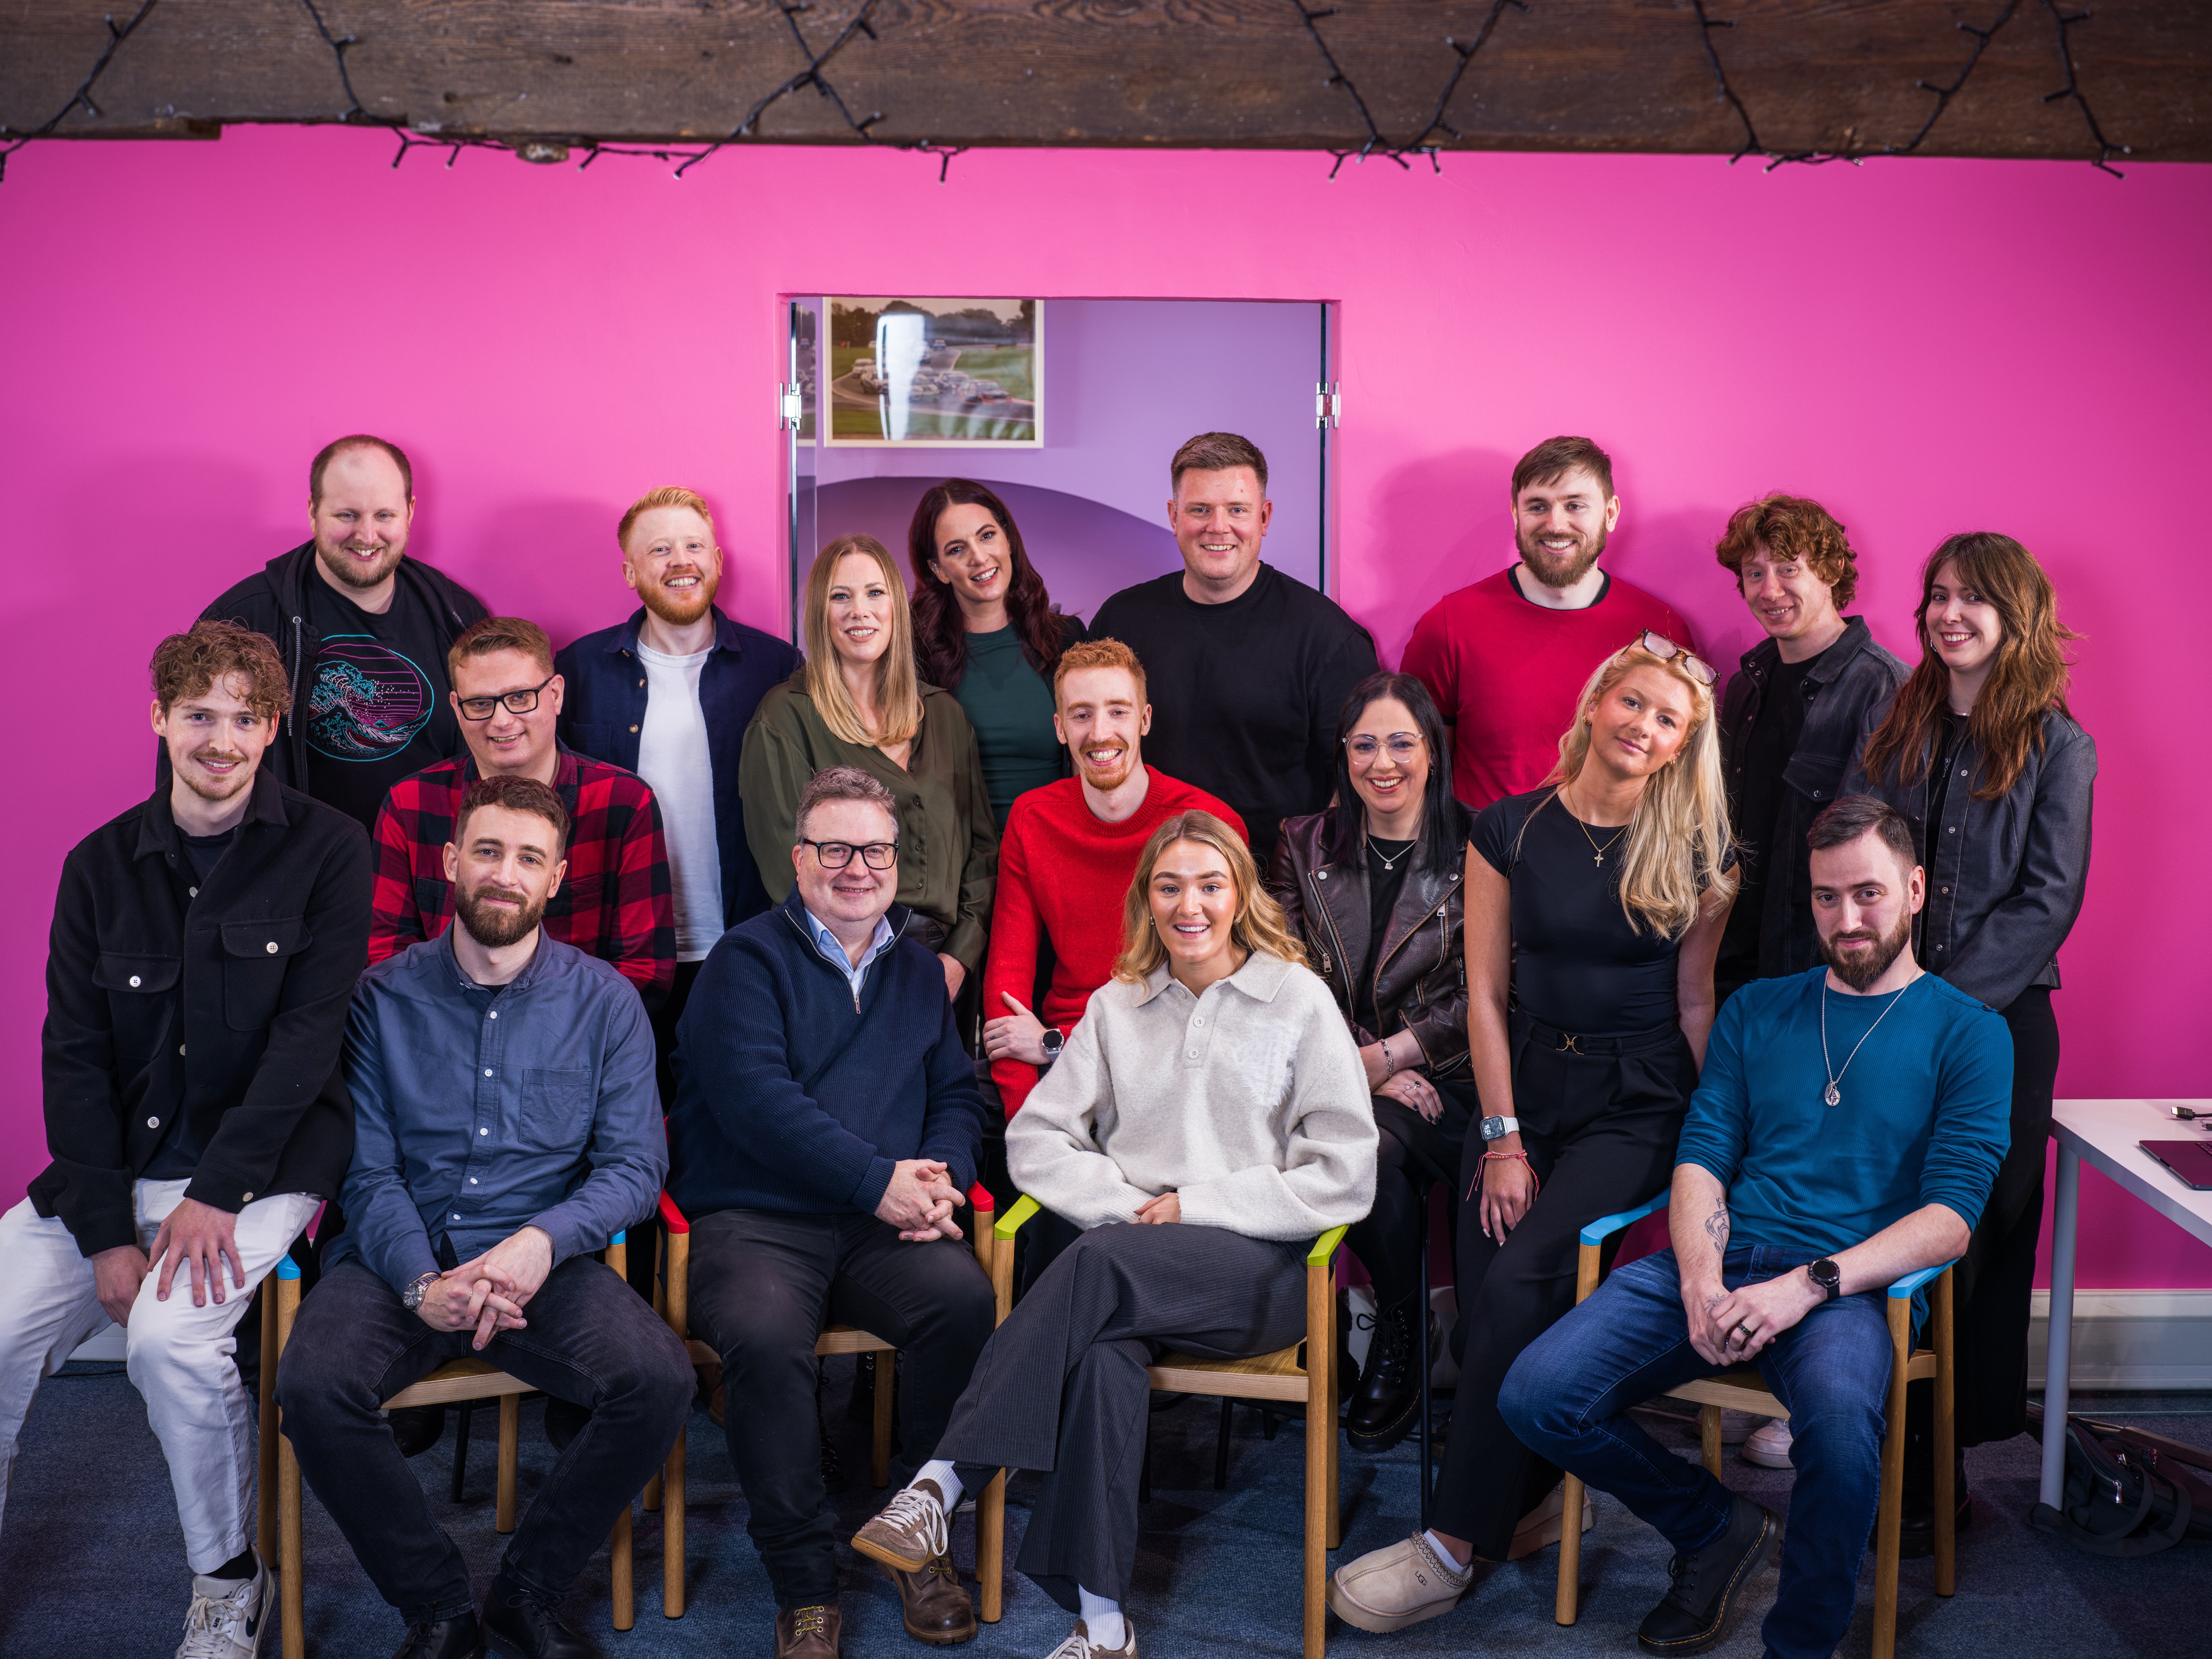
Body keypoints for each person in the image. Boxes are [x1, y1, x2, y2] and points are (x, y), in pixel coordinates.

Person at [1496, 796, 2011, 1659]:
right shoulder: (1756, 1010)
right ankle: (1714, 1528)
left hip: (1850, 1288)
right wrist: (1701, 1281)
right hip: (1720, 1259)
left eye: (1869, 894)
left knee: (1843, 1440)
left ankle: (1800, 1645)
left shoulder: (1972, 1034)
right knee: (1535, 1395)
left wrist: (1802, 1289)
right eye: (1825, 898)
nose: (1847, 920)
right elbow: (1701, 1158)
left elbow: (1950, 1222)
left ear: (1916, 889)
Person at [854, 811, 1377, 1659]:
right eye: (1169, 887)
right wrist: (1130, 1204)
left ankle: (942, 1483)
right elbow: (1035, 1140)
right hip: (1132, 1259)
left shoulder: (1297, 1001)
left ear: (1241, 894)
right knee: (1099, 1359)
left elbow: (1345, 1173)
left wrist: (1197, 1203)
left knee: (1096, 1264)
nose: (1190, 904)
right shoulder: (1117, 1004)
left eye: (1210, 884)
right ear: (1147, 901)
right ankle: (1103, 1627)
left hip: (1264, 1277)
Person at [1329, 631, 1736, 1635]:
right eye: (1633, 704)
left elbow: (1695, 1004)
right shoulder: (1507, 827)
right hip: (1523, 1083)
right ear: (1598, 703)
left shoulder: (1699, 850)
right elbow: (1483, 994)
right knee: (1486, 1307)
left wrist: (1716, 1138)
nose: (1645, 727)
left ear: (1684, 744)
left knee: (1515, 1288)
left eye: (1668, 721)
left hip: (1639, 1100)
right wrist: (1502, 1137)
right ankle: (1545, 1497)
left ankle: (1448, 1545)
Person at [3, 621, 369, 1658]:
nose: (221, 737)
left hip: (266, 1167)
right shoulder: (98, 864)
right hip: (111, 1171)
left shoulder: (331, 850)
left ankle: (226, 1582)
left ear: (272, 728)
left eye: (244, 717)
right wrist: (108, 1229)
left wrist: (220, 1188)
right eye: (199, 713)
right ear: (159, 716)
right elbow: (71, 1056)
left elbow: (308, 1039)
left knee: (170, 1341)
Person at [277, 775, 692, 1659]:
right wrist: (423, 1281)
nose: (506, 873)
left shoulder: (607, 1003)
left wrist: (540, 1245)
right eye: (490, 851)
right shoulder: (376, 1000)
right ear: (452, 861)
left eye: (529, 858)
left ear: (557, 879)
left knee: (657, 1380)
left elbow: (633, 1165)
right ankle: (436, 1606)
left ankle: (526, 1593)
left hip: (544, 1265)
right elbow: (368, 1170)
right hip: (397, 1260)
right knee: (313, 1389)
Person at [666, 766, 994, 1659]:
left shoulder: (922, 971)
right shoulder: (744, 961)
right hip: (757, 1218)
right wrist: (877, 1179)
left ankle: (917, 1538)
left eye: (875, 850)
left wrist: (943, 1183)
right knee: (766, 1339)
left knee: (964, 1305)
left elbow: (957, 1097)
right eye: (836, 848)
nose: (857, 867)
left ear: (897, 860)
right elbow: (755, 1102)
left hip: (879, 1223)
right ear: (799, 856)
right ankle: (803, 1583)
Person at [1845, 531, 2095, 1549]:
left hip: (1994, 1030)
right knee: (1880, 1226)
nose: (1949, 614)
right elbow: (1865, 856)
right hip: (1884, 1010)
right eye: (1936, 597)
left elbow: (2048, 899)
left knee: (1972, 1246)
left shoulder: (2056, 744)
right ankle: (1875, 1449)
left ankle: (1935, 1469)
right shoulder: (1898, 718)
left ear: (2014, 610)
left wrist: (1934, 1008)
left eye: (1971, 599)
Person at [1269, 671, 1473, 1454]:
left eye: (1400, 743)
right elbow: (1287, 972)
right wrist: (1366, 1065)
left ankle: (1404, 1330)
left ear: (1431, 752)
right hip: (1340, 1076)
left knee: (1373, 1135)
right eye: (1364, 745)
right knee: (1365, 1136)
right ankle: (1402, 1322)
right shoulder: (1302, 843)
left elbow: (1488, 987)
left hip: (1452, 1080)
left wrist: (1390, 1055)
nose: (1381, 762)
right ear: (1344, 755)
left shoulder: (1479, 842)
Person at [556, 486, 803, 1091]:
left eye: (694, 546)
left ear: (718, 559)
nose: (681, 561)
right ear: (631, 572)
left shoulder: (779, 669)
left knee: (734, 1111)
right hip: (620, 952)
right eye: (660, 549)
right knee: (625, 1115)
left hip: (746, 942)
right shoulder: (579, 669)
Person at [980, 637, 1244, 1118]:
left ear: (1144, 720)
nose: (1099, 733)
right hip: (1061, 1071)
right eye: (1081, 715)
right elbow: (1006, 997)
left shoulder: (1207, 822)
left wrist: (1055, 1044)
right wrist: (1030, 1134)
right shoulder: (1032, 820)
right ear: (1060, 729)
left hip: (1174, 1065)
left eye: (1117, 712)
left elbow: (1227, 1006)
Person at [1087, 432, 1378, 867]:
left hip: (1273, 893)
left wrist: (1312, 888)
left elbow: (1355, 784)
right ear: (1173, 515)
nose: (1218, 526)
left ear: (1264, 517)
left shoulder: (1328, 639)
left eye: (1237, 510)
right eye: (1200, 510)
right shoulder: (1120, 622)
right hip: (1139, 879)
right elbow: (1088, 753)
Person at [370, 615, 675, 1011]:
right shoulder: (409, 804)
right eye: (480, 703)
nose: (501, 720)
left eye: (519, 698)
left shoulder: (624, 803)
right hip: (440, 1040)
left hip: (576, 1043)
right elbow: (387, 958)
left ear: (556, 694)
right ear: (456, 709)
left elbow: (644, 970)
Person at [742, 535, 997, 1003]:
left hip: (945, 970)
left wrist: (959, 959)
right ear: (820, 613)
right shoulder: (784, 718)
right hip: (837, 966)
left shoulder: (943, 715)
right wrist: (856, 964)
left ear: (896, 606)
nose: (860, 611)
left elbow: (982, 851)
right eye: (841, 596)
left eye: (874, 593)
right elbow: (788, 870)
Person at [199, 434, 490, 829]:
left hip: (427, 866)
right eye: (347, 515)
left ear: (410, 511)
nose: (367, 536)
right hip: (295, 873)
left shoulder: (458, 616)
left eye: (384, 515)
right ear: (313, 510)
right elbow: (189, 762)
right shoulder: (242, 622)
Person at [1401, 435, 1693, 811]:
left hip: (1618, 857)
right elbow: (1420, 763)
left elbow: (1680, 769)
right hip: (1482, 856)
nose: (1556, 525)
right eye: (1538, 506)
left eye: (1575, 505)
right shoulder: (1448, 625)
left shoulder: (1661, 632)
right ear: (1515, 513)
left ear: (1610, 513)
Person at [1712, 495, 1908, 1009]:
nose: (1768, 589)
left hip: (1819, 963)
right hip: (1732, 952)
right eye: (1753, 574)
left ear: (1828, 574)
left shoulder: (1883, 687)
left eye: (1787, 569)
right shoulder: (1743, 687)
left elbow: (1880, 851)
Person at [908, 478, 1088, 830]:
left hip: (1048, 853)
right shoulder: (916, 651)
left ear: (1008, 540)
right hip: (954, 864)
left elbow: (1088, 763)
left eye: (987, 535)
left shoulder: (1066, 638)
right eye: (957, 549)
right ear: (939, 570)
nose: (979, 557)